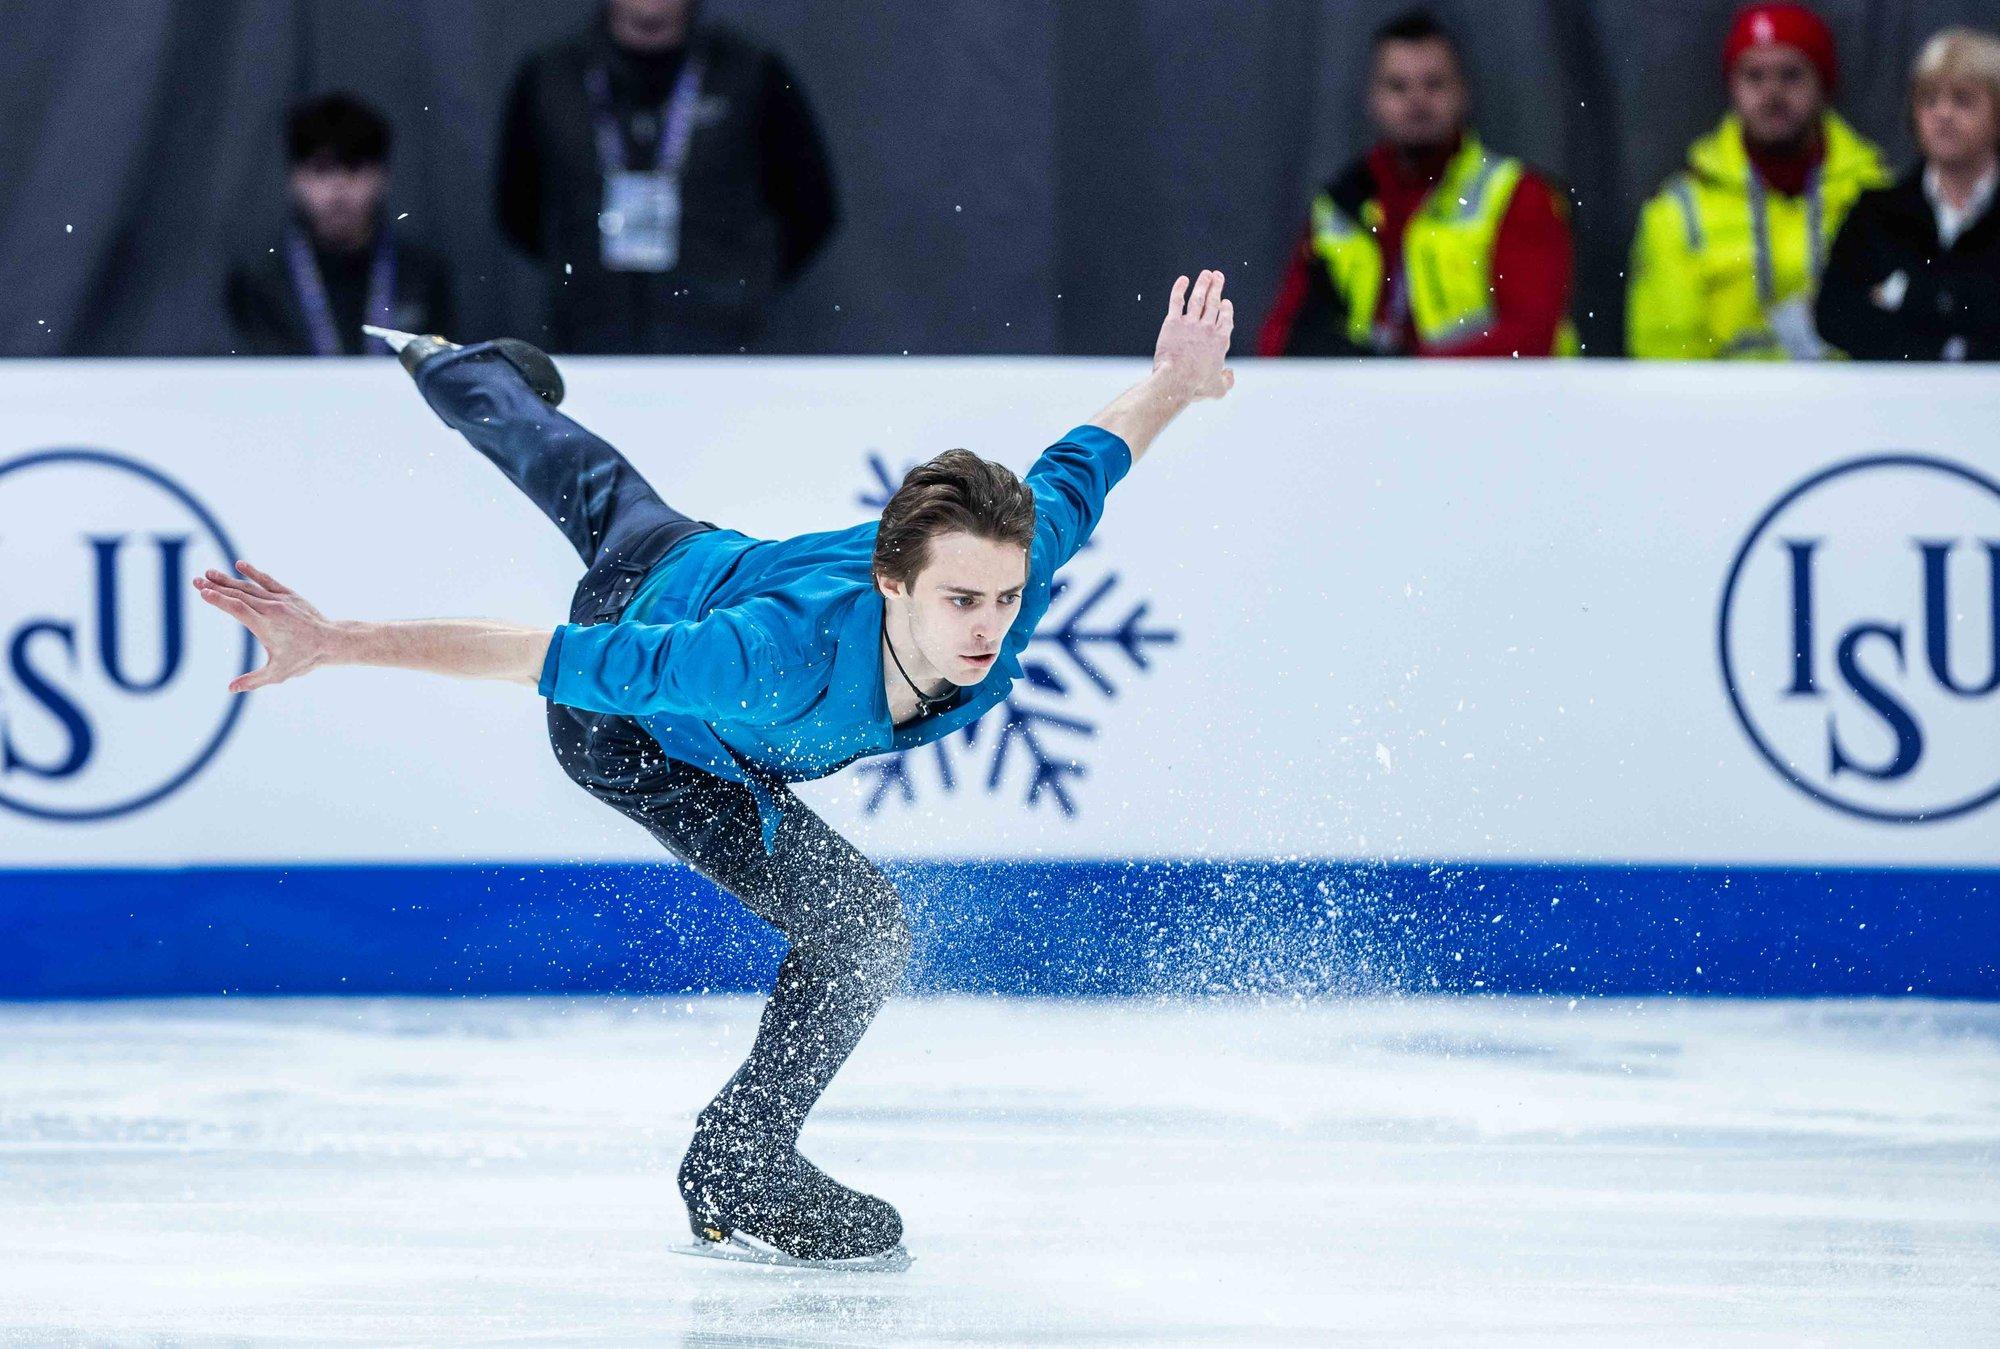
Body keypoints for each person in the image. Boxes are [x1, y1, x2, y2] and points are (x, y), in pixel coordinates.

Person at [191, 271, 1238, 1268]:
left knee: (571, 464)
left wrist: (1172, 385)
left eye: (1004, 599)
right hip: (636, 734)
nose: (987, 628)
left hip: (686, 556)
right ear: (891, 582)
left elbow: (1084, 461)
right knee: (865, 925)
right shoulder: (765, 659)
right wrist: (337, 639)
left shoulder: (1013, 569)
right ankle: (741, 1158)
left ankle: (443, 360)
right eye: (960, 601)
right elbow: (541, 658)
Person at [495, 0, 838, 354]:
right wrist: (575, 273)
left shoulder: (749, 70)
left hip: (721, 343)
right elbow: (517, 206)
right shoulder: (551, 74)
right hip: (588, 337)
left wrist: (742, 285)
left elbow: (810, 206)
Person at [1258, 8, 1575, 358]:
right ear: (1372, 99)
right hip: (1367, 403)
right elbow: (1279, 337)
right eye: (1397, 86)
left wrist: (1409, 370)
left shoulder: (1517, 194)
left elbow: (1531, 338)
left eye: (1434, 84)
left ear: (1463, 93)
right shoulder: (1342, 203)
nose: (1416, 100)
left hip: (1493, 404)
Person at [1627, 3, 1889, 360]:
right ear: (1732, 86)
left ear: (1824, 84)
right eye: (1754, 76)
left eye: (1791, 74)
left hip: (1854, 407)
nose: (1772, 93)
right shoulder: (1677, 212)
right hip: (1723, 411)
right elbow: (1663, 356)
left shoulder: (1879, 196)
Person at [1816, 27, 2000, 361]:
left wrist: (1903, 295)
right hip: (1897, 405)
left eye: (1963, 99)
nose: (1942, 114)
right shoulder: (1876, 214)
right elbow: (1834, 317)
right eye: (1929, 99)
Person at [225, 94, 454, 357]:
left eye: (354, 168)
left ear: (383, 177)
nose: (338, 187)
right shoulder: (259, 281)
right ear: (294, 179)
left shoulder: (421, 276)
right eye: (321, 169)